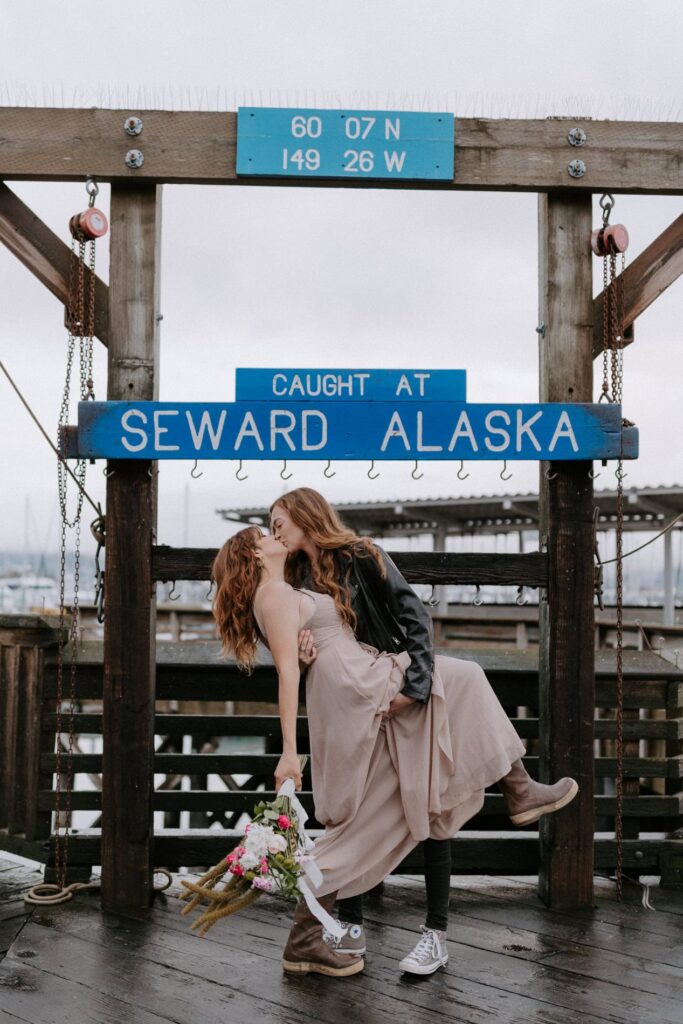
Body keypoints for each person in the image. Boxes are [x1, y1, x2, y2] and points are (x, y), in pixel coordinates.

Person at [211, 504, 577, 979]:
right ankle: (519, 787)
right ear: (255, 556)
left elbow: (311, 645)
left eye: (277, 525)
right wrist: (288, 751)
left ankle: (305, 940)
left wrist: (307, 651)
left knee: (375, 807)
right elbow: (285, 675)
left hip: (355, 680)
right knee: (464, 677)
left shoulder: (289, 586)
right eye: (265, 534)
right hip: (357, 686)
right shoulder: (275, 594)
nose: (273, 535)